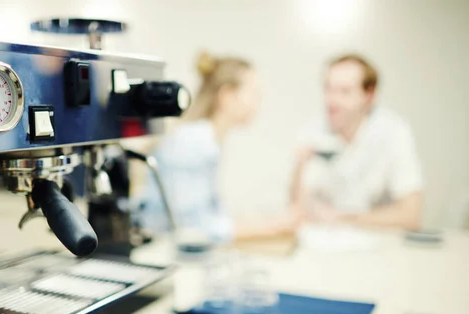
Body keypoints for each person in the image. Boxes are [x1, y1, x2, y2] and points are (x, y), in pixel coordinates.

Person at [139, 51, 298, 243]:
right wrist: (270, 228)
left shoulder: (205, 139)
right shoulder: (194, 143)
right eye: (254, 93)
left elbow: (208, 213)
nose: (258, 102)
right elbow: (194, 228)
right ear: (227, 95)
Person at [291, 54, 423, 230]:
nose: (332, 100)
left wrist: (341, 217)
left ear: (369, 95)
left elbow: (411, 216)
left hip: (383, 246)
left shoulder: (393, 132)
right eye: (328, 89)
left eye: (344, 91)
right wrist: (300, 167)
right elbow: (296, 209)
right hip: (327, 245)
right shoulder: (312, 131)